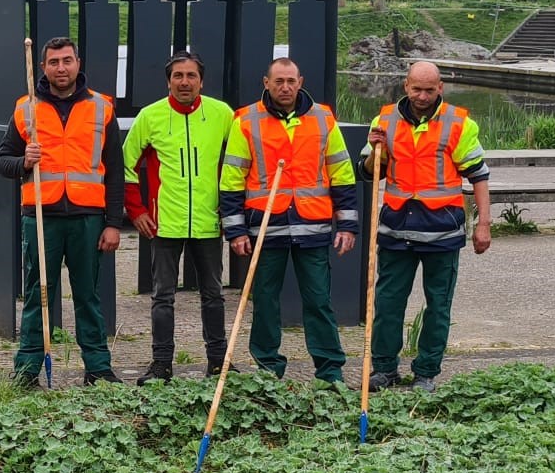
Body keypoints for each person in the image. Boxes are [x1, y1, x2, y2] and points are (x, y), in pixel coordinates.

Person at [218, 57, 358, 383]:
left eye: (291, 81)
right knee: (265, 302)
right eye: (278, 81)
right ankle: (268, 369)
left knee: (319, 300)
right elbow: (231, 180)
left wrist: (348, 225)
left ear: (301, 81)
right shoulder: (246, 121)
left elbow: (342, 173)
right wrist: (235, 230)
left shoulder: (323, 119)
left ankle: (330, 369)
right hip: (266, 227)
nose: (285, 87)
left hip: (313, 226)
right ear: (266, 83)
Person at [0, 37, 126, 386]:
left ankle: (98, 368)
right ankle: (26, 370)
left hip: (88, 217)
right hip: (41, 216)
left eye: (67, 61)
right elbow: (2, 161)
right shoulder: (26, 108)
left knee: (88, 295)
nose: (61, 68)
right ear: (43, 68)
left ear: (78, 63)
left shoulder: (102, 108)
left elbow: (115, 170)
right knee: (38, 294)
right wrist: (24, 161)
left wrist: (114, 223)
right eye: (54, 62)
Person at [360, 61, 493, 391]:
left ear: (440, 88)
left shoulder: (459, 123)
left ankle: (426, 372)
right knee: (388, 304)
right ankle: (384, 370)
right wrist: (375, 149)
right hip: (396, 229)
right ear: (405, 86)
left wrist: (484, 223)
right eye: (416, 89)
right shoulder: (384, 120)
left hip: (442, 232)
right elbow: (368, 171)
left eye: (429, 90)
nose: (422, 96)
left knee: (438, 306)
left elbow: (478, 175)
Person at [123, 50, 235, 384]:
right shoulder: (150, 116)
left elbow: (240, 162)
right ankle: (161, 365)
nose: (184, 82)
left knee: (214, 295)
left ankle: (218, 362)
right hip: (165, 223)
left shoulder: (222, 114)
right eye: (178, 76)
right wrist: (138, 211)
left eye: (191, 76)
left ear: (202, 80)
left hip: (208, 221)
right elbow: (127, 165)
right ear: (168, 80)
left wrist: (231, 209)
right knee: (163, 297)